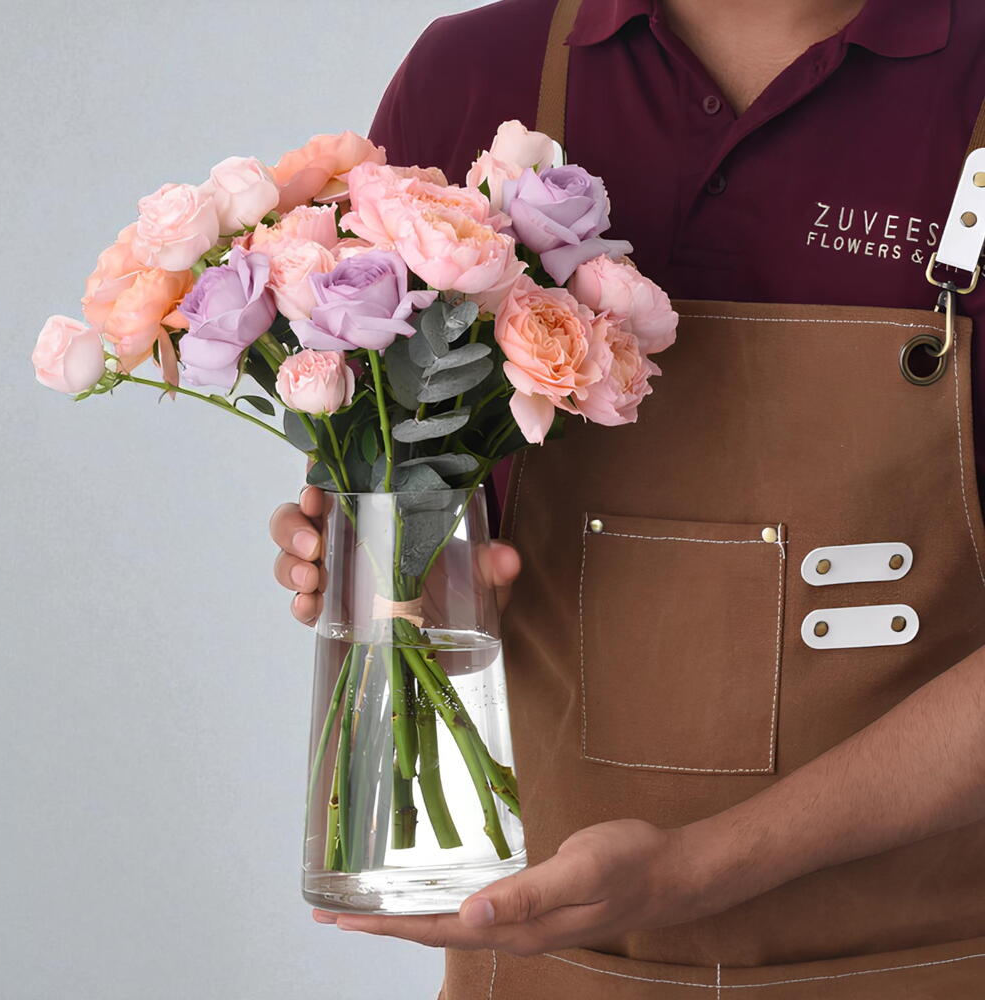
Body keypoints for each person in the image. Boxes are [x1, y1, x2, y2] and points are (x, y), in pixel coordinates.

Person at [271, 0, 985, 995]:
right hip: (539, 964)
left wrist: (696, 868)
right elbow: (389, 477)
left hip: (925, 964)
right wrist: (406, 569)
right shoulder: (478, 73)